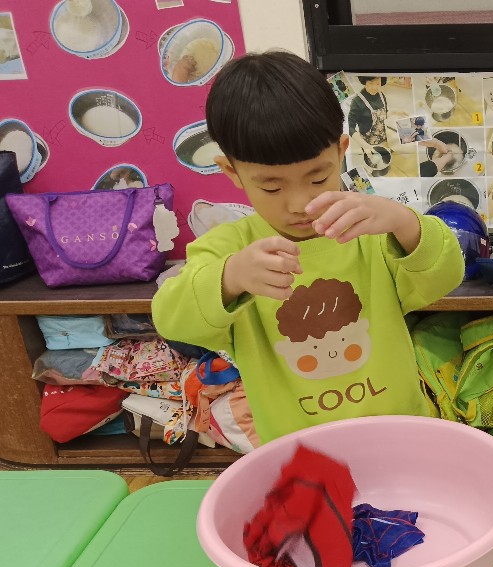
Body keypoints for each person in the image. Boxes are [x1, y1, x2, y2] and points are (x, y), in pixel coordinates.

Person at [152, 51, 464, 444]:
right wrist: (230, 278)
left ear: (341, 151)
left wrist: (405, 223)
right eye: (272, 187)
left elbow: (446, 275)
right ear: (232, 171)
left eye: (318, 178)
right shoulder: (230, 250)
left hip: (400, 437)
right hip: (298, 451)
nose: (299, 203)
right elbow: (173, 320)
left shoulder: (370, 231)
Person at [347, 75, 389, 146]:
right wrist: (365, 146)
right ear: (365, 82)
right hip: (368, 144)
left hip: (385, 140)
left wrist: (395, 113)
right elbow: (350, 128)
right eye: (371, 83)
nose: (375, 88)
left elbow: (383, 116)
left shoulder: (381, 95)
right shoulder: (357, 101)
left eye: (378, 84)